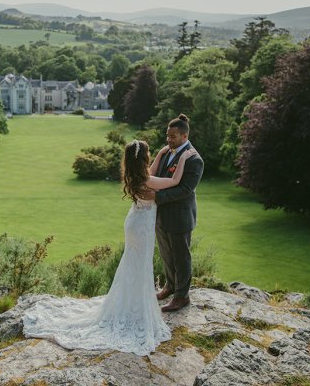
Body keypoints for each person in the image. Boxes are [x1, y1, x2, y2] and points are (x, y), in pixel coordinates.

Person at [22, 139, 196, 356]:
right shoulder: (148, 179)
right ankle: (136, 307)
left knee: (131, 264)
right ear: (144, 158)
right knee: (139, 266)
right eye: (149, 154)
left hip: (133, 223)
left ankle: (131, 301)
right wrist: (184, 159)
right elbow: (174, 180)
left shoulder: (137, 175)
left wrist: (161, 153)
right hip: (142, 228)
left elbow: (151, 173)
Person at [148, 114, 204, 312]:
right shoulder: (166, 152)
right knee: (166, 255)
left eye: (172, 136)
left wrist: (155, 196)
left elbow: (185, 190)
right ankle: (170, 286)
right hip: (161, 215)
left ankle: (182, 296)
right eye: (167, 135)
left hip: (180, 217)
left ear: (184, 136)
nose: (168, 139)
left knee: (181, 258)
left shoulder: (194, 159)